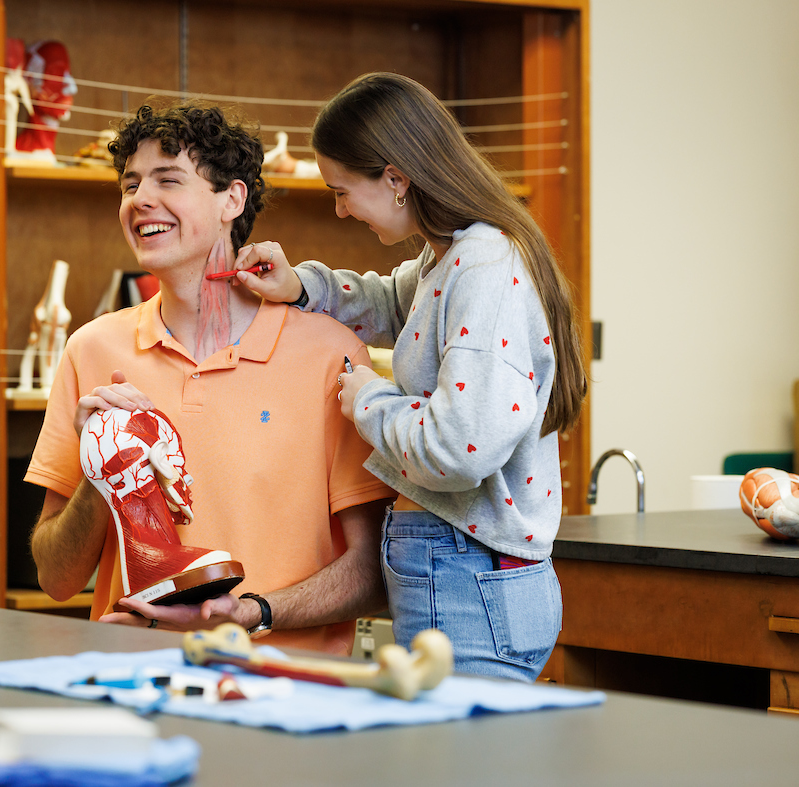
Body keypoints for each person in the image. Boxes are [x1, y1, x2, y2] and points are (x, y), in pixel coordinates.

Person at [232, 72, 588, 680]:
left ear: (395, 179)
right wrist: (303, 285)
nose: (340, 209)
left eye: (343, 191)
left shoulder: (482, 266)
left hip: (469, 578)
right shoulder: (448, 254)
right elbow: (393, 305)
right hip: (464, 575)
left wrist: (368, 397)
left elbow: (459, 447)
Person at [24, 102, 395, 655]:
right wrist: (106, 472)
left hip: (287, 694)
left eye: (167, 179)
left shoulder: (332, 355)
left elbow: (371, 575)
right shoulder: (91, 350)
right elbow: (56, 579)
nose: (139, 199)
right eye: (129, 185)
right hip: (137, 683)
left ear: (232, 199)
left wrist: (249, 614)